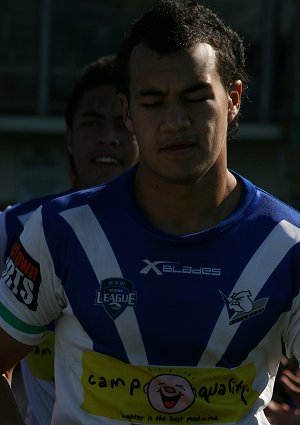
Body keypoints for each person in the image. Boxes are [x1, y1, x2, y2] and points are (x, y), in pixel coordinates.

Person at [0, 0, 300, 424]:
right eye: (153, 101)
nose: (175, 120)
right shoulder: (59, 230)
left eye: (195, 98)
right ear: (128, 112)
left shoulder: (289, 246)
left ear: (233, 99)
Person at [0, 53, 138, 424]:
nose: (107, 137)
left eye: (121, 124)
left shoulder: (180, 235)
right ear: (70, 138)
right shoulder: (15, 228)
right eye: (92, 123)